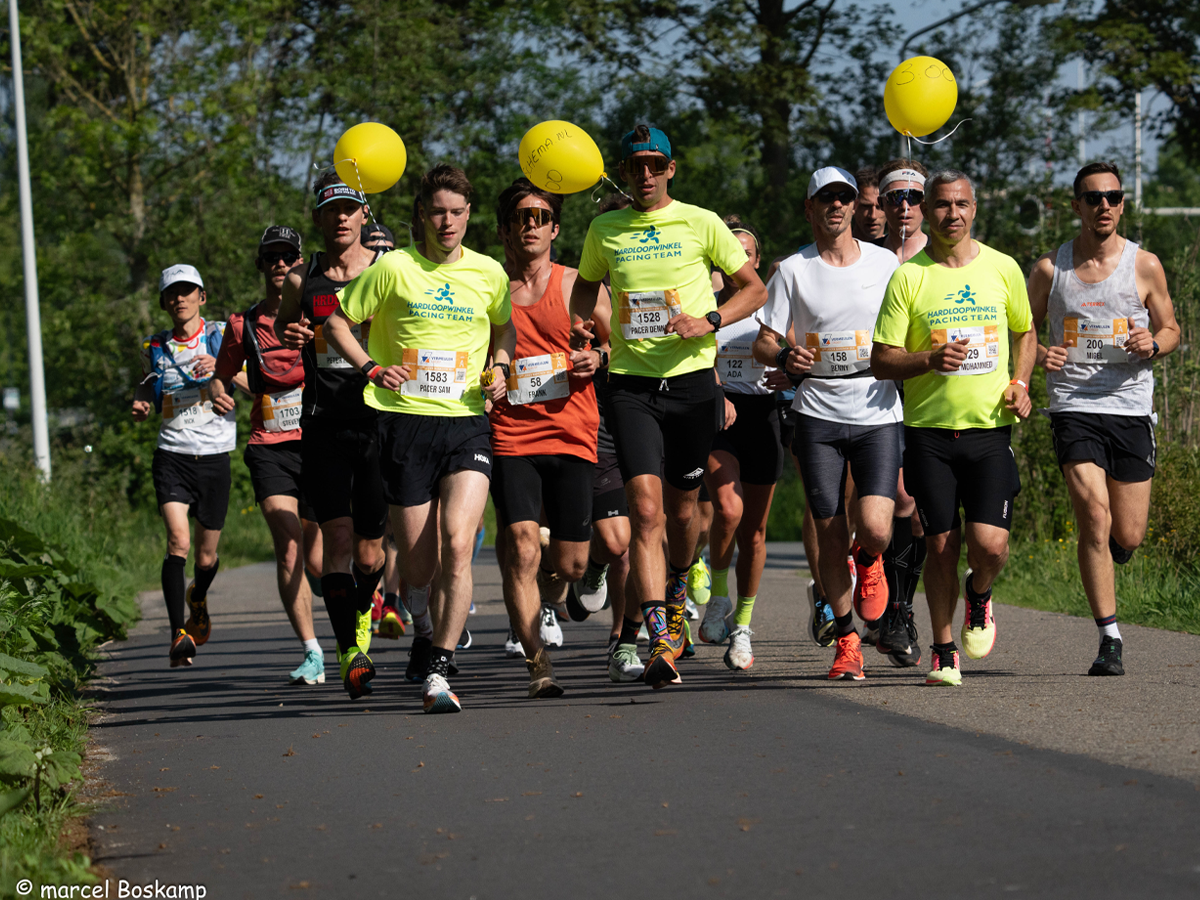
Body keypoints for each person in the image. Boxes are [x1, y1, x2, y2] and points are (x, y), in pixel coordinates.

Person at [569, 124, 768, 690]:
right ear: (626, 172)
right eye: (636, 166)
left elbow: (752, 289)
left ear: (671, 169)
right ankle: (659, 635)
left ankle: (678, 589)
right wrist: (582, 325)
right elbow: (585, 290)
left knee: (683, 514)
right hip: (631, 387)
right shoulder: (605, 228)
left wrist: (708, 321)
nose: (646, 175)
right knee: (646, 512)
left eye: (656, 165)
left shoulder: (701, 222)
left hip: (691, 387)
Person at [325, 163, 515, 714]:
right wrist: (368, 367)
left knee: (459, 544)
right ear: (422, 216)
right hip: (403, 421)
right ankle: (422, 620)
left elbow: (504, 326)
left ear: (469, 216)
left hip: (467, 420)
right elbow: (337, 321)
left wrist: (500, 365)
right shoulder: (395, 268)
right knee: (417, 567)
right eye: (438, 212)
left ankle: (438, 667)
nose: (448, 221)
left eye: (457, 212)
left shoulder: (488, 272)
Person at [871, 169, 1037, 686]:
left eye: (961, 204)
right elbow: (882, 360)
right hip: (928, 432)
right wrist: (928, 360)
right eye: (941, 205)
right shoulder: (909, 276)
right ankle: (944, 650)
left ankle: (980, 595)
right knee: (940, 542)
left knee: (989, 546)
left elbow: (1025, 331)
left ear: (974, 207)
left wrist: (1020, 380)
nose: (953, 214)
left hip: (989, 431)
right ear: (927, 210)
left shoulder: (1003, 268)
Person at [1029, 161, 1179, 676]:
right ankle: (1109, 637)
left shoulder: (1145, 265)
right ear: (1076, 206)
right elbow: (1023, 328)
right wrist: (1039, 356)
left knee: (1128, 534)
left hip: (1130, 407)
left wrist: (1154, 343)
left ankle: (1112, 553)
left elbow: (1174, 328)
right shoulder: (1052, 269)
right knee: (1094, 516)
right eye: (1093, 198)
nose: (1105, 206)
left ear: (1122, 204)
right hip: (1074, 407)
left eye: (1113, 197)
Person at [753, 168, 902, 680]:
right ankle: (846, 640)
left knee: (878, 527)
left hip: (877, 405)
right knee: (828, 529)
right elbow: (763, 341)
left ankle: (871, 555)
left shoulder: (885, 261)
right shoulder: (794, 268)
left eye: (845, 198)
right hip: (816, 411)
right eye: (826, 199)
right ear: (810, 209)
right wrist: (785, 354)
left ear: (855, 208)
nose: (837, 206)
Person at [489, 176, 605, 698]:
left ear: (555, 227)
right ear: (506, 229)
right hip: (511, 434)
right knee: (519, 543)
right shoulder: (488, 289)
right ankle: (538, 664)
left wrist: (597, 356)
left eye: (539, 217)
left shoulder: (576, 283)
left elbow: (624, 341)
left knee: (571, 563)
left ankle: (557, 588)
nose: (530, 225)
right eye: (520, 217)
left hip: (572, 434)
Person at [274, 173, 388, 700]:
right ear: (319, 220)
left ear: (363, 215)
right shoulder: (303, 278)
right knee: (336, 544)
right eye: (331, 211)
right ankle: (349, 653)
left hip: (379, 422)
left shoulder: (389, 269)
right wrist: (294, 331)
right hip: (323, 424)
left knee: (370, 555)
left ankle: (364, 612)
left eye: (349, 208)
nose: (340, 218)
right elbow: (283, 327)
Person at [133, 264, 236, 668]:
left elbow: (249, 381)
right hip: (172, 455)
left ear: (201, 297)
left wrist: (221, 371)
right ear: (164, 302)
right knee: (178, 541)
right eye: (172, 293)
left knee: (206, 559)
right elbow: (146, 383)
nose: (179, 298)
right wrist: (141, 401)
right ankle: (178, 633)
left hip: (214, 456)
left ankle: (198, 596)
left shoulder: (220, 336)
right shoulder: (154, 346)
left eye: (187, 291)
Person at [697, 215, 783, 670]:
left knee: (753, 528)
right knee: (727, 511)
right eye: (730, 254)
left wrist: (789, 369)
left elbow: (792, 350)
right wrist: (715, 390)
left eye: (747, 254)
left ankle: (744, 626)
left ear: (756, 260)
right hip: (718, 415)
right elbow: (690, 354)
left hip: (762, 415)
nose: (738, 262)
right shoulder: (705, 304)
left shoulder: (772, 307)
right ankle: (718, 596)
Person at [878, 159, 928, 262]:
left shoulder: (943, 254)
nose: (905, 206)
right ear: (881, 203)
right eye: (895, 197)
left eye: (914, 197)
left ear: (925, 203)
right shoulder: (866, 256)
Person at [851, 167, 887, 246]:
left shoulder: (900, 253)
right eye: (866, 206)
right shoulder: (836, 252)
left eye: (879, 207)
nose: (873, 216)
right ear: (853, 206)